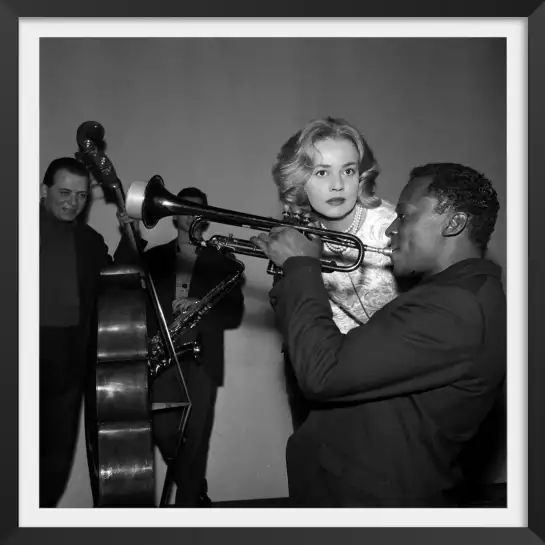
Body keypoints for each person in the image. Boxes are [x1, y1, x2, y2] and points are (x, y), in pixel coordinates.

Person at [251, 162, 506, 507]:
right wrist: (289, 274)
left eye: (404, 216)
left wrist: (301, 266)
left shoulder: (455, 305)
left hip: (367, 498)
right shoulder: (450, 294)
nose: (390, 230)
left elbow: (323, 373)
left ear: (454, 223)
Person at [114, 186, 245, 507]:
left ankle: (188, 511)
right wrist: (130, 233)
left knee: (197, 440)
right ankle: (195, 489)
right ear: (175, 215)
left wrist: (202, 304)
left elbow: (235, 314)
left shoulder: (223, 261)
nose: (193, 215)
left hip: (202, 360)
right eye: (185, 209)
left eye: (200, 210)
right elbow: (120, 273)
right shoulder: (156, 257)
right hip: (162, 358)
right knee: (162, 432)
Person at [271, 117, 400, 429]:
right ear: (299, 180)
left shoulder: (392, 228)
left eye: (349, 170)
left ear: (361, 175)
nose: (338, 184)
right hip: (322, 376)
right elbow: (290, 312)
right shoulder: (297, 231)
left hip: (388, 379)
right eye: (321, 172)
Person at [39, 157, 112, 507]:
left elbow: (118, 281)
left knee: (54, 460)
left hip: (70, 360)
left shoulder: (90, 240)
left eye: (82, 196)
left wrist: (131, 236)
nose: (73, 202)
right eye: (64, 192)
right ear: (44, 190)